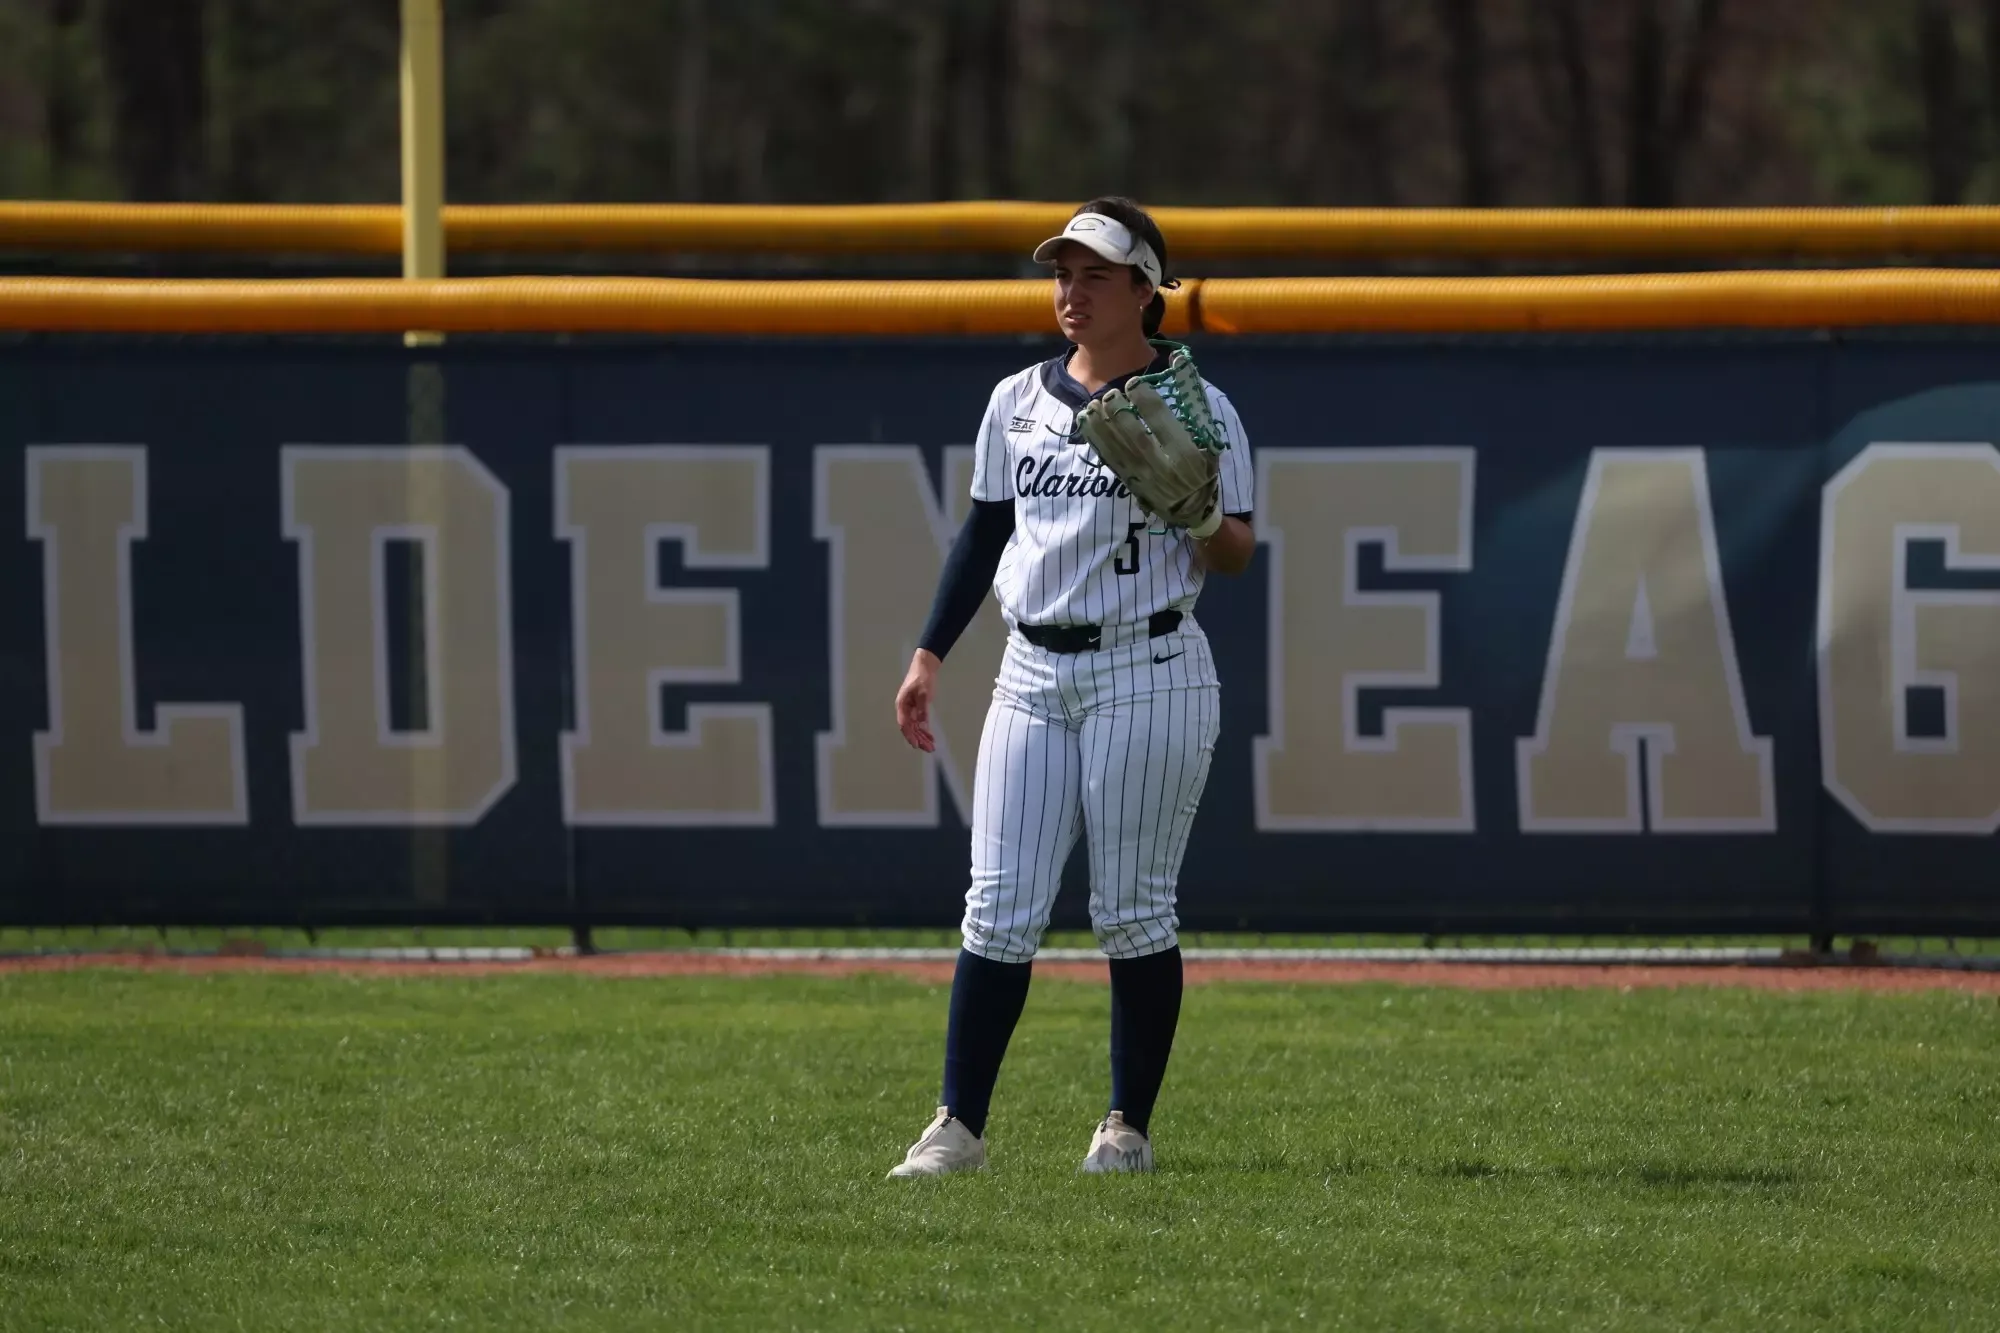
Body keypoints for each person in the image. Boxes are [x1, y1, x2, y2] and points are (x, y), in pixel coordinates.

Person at [885, 196, 1256, 1177]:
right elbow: (983, 531)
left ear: (1145, 289)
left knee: (1131, 908)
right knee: (998, 905)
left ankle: (1125, 1128)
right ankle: (957, 1127)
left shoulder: (1200, 408)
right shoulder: (1015, 399)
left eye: (1095, 275)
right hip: (1029, 668)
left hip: (1149, 664)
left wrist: (1196, 512)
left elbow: (1235, 553)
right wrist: (929, 653)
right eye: (1062, 273)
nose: (1070, 292)